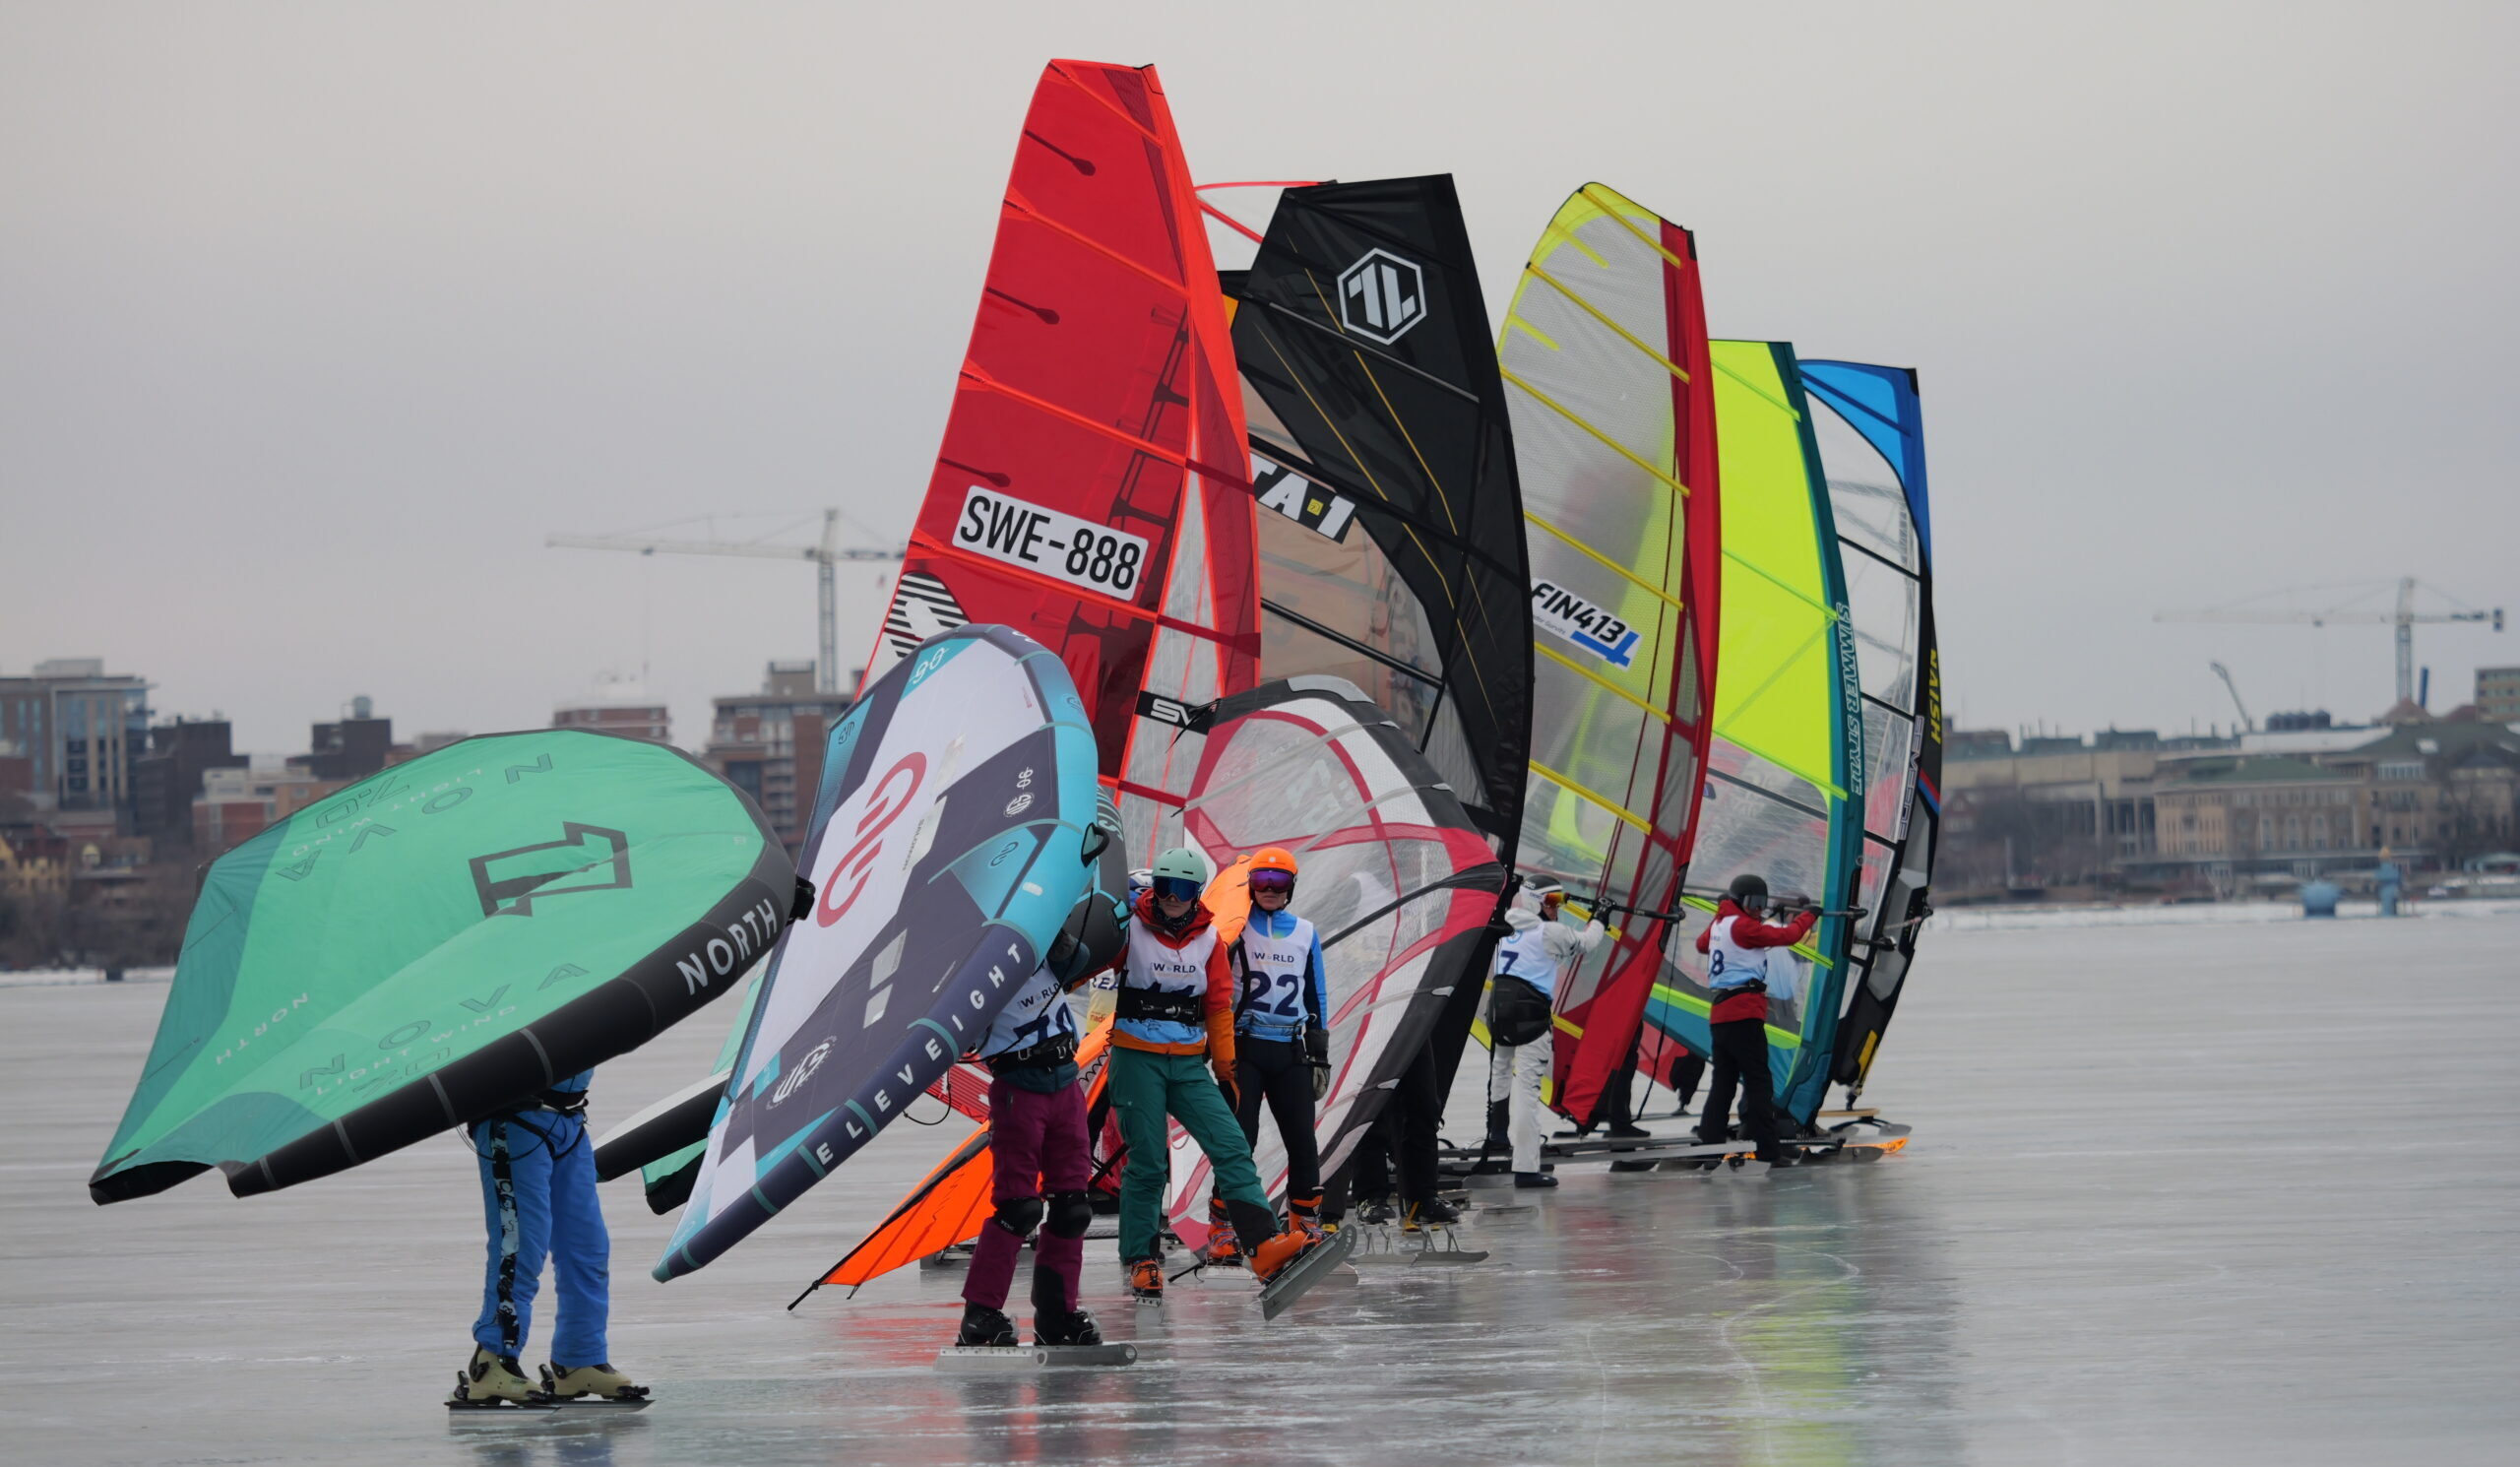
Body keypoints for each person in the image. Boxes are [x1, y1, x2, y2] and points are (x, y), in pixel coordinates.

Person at [1105, 847, 1315, 1303]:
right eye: (1165, 887)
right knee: (1148, 1162)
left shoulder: (1210, 940)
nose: (1172, 898)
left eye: (1182, 889)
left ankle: (1263, 1246)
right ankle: (1141, 1259)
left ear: (1197, 893)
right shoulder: (1130, 929)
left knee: (1232, 1146)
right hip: (1136, 1058)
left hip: (1186, 1062)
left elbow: (1219, 1008)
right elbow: (1087, 967)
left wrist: (1226, 1069)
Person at [457, 1071, 645, 1404]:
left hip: (569, 1122)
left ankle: (579, 1359)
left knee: (587, 1249)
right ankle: (491, 1363)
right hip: (512, 1120)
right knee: (520, 1246)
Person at [954, 957, 1103, 1350]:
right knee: (1018, 1207)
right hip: (1018, 1093)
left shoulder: (1048, 949)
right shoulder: (980, 971)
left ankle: (1057, 1315)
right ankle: (980, 1313)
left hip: (1065, 1085)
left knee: (1073, 1207)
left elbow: (1086, 955)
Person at [1200, 848, 1331, 1264]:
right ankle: (1222, 1230)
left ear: (1291, 886)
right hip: (1245, 1048)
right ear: (1251, 887)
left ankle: (1304, 1227)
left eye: (1277, 884)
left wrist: (1320, 1053)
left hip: (1290, 1048)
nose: (1269, 891)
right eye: (1261, 883)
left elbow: (1316, 993)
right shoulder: (1235, 927)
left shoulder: (1306, 931)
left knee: (1303, 1142)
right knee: (1241, 1141)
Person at [1486, 878, 1606, 1190]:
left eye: (1559, 900)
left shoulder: (1505, 923)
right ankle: (1526, 1169)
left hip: (1498, 1011)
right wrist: (1601, 917)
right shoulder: (1550, 932)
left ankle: (1496, 1137)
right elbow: (1588, 943)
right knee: (1527, 1090)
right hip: (1531, 1017)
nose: (1556, 908)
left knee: (1500, 1072)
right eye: (1550, 900)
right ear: (1533, 902)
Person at [1693, 872, 1818, 1166]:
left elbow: (1702, 945)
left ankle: (1709, 1144)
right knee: (1759, 1083)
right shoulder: (1744, 927)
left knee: (1723, 1082)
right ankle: (1768, 1151)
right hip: (1744, 1013)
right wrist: (1809, 916)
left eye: (1762, 903)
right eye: (1753, 902)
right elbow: (1788, 936)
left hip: (1721, 1016)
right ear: (1740, 901)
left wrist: (1724, 911)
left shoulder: (1721, 924)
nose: (1758, 908)